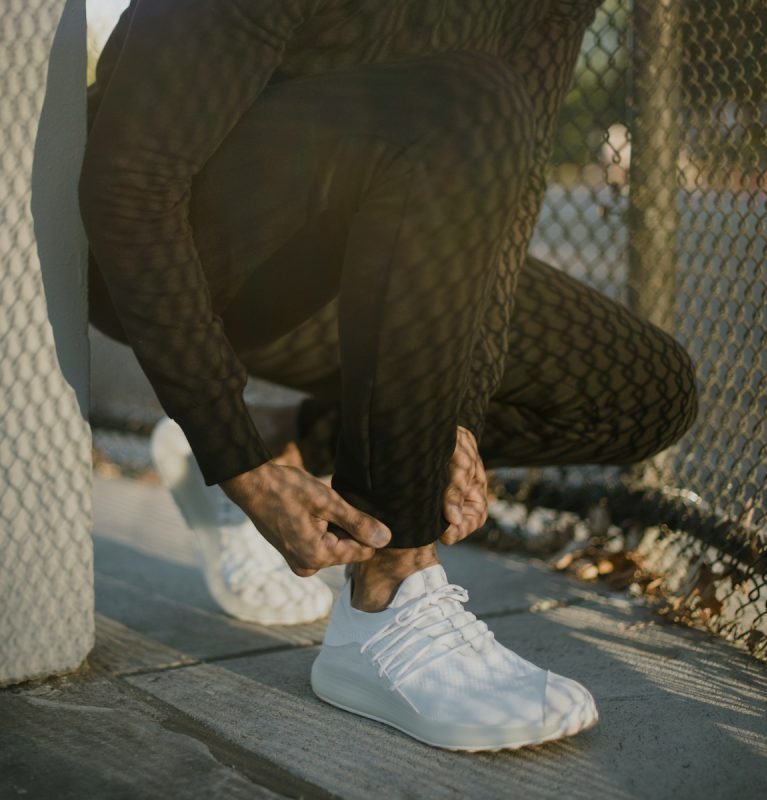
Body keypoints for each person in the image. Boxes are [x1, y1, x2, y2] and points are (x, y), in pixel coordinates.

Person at [80, 0, 699, 751]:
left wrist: (457, 410)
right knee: (465, 101)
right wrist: (231, 455)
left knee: (645, 391)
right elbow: (132, 188)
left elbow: (506, 204)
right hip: (191, 250)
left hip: (377, 247)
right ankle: (387, 603)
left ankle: (294, 448)